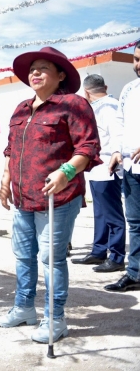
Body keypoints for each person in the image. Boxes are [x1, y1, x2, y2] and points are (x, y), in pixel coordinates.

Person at [0, 47, 101, 343]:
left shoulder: (73, 104)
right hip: (22, 198)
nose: (35, 73)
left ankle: (55, 319)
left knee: (51, 259)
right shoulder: (20, 109)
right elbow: (11, 149)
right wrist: (6, 178)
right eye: (32, 70)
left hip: (58, 198)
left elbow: (88, 147)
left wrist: (66, 172)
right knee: (23, 257)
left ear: (61, 75)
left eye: (43, 69)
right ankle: (24, 308)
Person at [71, 75, 125, 272]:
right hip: (97, 168)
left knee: (113, 214)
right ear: (105, 86)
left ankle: (117, 257)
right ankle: (98, 251)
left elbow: (117, 133)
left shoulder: (109, 106)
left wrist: (116, 155)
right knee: (101, 213)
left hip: (107, 167)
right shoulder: (97, 107)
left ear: (85, 92)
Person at [105, 40, 140, 292]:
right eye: (136, 60)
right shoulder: (129, 89)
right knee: (136, 222)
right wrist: (117, 151)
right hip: (131, 167)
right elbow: (120, 123)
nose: (138, 65)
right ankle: (136, 273)